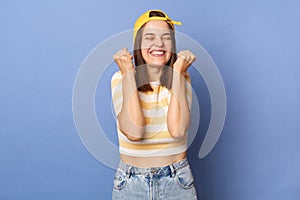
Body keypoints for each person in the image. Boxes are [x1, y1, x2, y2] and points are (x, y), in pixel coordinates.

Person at [111, 10, 197, 200]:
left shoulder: (182, 78)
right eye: (150, 37)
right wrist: (127, 72)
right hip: (131, 183)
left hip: (177, 182)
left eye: (166, 38)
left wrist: (177, 73)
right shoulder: (120, 78)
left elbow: (178, 130)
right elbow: (134, 132)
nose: (159, 44)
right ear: (138, 43)